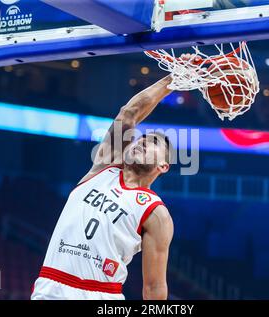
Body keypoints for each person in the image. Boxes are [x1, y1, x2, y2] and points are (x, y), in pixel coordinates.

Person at [32, 75, 175, 300]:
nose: (143, 142)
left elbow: (154, 287)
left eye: (153, 143)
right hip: (53, 287)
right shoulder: (103, 167)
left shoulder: (156, 213)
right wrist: (173, 79)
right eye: (142, 138)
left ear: (163, 166)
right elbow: (129, 113)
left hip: (102, 295)